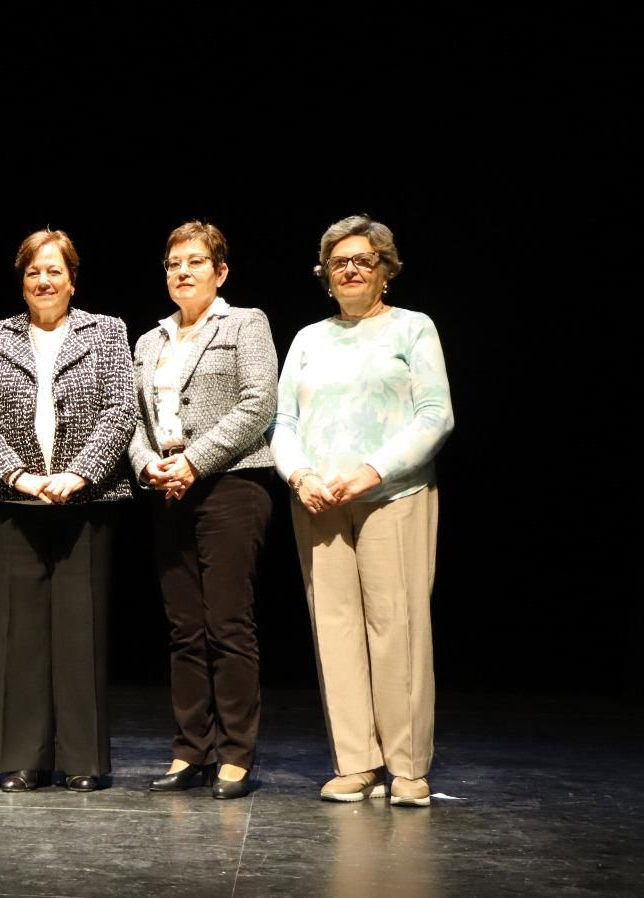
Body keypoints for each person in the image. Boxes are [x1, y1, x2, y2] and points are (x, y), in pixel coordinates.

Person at [272, 214, 454, 807]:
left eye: (363, 260)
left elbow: (435, 415)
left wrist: (373, 470)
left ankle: (406, 768)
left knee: (397, 629)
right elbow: (284, 423)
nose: (350, 269)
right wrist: (299, 474)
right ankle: (355, 762)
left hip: (391, 497)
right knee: (337, 630)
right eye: (338, 262)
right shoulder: (307, 338)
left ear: (385, 272)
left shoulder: (413, 329)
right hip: (319, 501)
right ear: (325, 275)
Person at [0, 229, 134, 792]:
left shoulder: (107, 331)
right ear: (23, 280)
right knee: (20, 633)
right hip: (15, 498)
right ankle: (24, 757)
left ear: (72, 279)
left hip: (87, 498)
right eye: (34, 271)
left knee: (80, 632)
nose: (44, 280)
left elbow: (120, 411)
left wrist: (78, 473)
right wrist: (20, 475)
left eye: (54, 270)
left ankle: (83, 757)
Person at [127, 221, 277, 799]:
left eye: (195, 262)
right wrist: (149, 465)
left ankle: (236, 753)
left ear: (221, 272)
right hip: (167, 488)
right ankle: (191, 750)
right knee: (184, 628)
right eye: (173, 264)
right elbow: (133, 419)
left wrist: (195, 461)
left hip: (231, 486)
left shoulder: (245, 323)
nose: (182, 272)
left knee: (227, 624)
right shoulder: (149, 340)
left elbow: (258, 403)